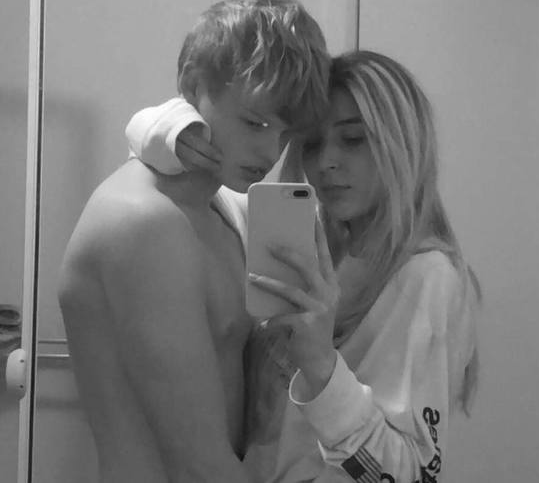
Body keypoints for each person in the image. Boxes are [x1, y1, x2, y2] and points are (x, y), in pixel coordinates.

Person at [124, 49, 480, 482]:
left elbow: (412, 474)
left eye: (353, 139)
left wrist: (321, 365)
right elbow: (144, 134)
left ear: (403, 142)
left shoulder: (426, 277)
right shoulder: (303, 239)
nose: (326, 162)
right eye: (311, 143)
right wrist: (179, 134)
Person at [57, 0, 330, 483]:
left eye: (285, 133)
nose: (270, 153)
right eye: (255, 123)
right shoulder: (146, 223)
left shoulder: (217, 209)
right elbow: (199, 464)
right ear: (191, 84)